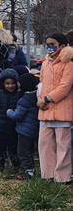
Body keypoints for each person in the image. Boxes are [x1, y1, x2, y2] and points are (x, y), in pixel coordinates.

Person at [37, 33, 73, 184]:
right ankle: (47, 175)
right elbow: (42, 83)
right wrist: (40, 98)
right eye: (47, 44)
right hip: (45, 110)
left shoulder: (69, 63)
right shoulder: (46, 62)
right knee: (45, 145)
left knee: (63, 146)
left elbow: (65, 86)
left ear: (62, 46)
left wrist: (47, 99)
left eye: (52, 44)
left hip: (62, 110)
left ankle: (62, 178)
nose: (49, 47)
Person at [7, 73, 40, 180]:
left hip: (24, 131)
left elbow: (17, 116)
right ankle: (30, 169)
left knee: (23, 152)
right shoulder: (37, 97)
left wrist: (9, 112)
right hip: (35, 129)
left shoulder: (24, 100)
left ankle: (28, 171)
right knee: (30, 151)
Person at [0, 69, 21, 171]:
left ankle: (16, 165)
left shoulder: (19, 95)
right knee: (0, 148)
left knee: (13, 148)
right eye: (7, 83)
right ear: (3, 83)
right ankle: (0, 164)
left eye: (12, 83)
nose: (10, 86)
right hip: (0, 127)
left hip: (14, 127)